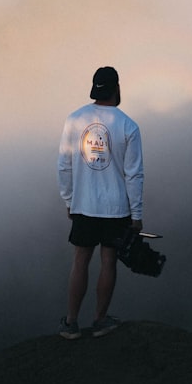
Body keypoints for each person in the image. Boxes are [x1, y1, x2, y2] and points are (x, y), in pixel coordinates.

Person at [57, 66, 144, 339]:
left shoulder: (74, 120)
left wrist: (69, 200)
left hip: (83, 204)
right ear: (117, 87)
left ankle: (71, 322)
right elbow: (134, 174)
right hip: (116, 207)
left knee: (80, 260)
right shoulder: (128, 126)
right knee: (109, 261)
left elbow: (64, 165)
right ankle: (100, 320)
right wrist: (137, 213)